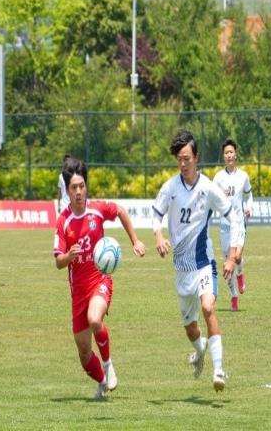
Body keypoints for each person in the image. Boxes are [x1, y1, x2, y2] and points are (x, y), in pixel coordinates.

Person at [152, 130, 241, 392]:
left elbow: (234, 218)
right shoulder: (170, 188)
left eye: (187, 158)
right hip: (182, 270)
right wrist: (159, 237)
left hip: (204, 263)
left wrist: (232, 257)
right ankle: (200, 351)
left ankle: (219, 370)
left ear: (196, 158)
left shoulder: (208, 188)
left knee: (208, 308)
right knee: (191, 329)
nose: (183, 164)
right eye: (179, 159)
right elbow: (156, 215)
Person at [53, 158, 146, 399]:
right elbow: (58, 261)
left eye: (82, 186)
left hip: (100, 281)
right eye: (74, 187)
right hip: (78, 292)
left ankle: (108, 364)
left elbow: (120, 211)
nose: (78, 191)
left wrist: (135, 240)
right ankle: (102, 382)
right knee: (84, 354)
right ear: (67, 190)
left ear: (86, 186)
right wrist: (69, 256)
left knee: (95, 320)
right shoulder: (63, 221)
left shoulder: (97, 210)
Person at [213, 138, 253, 312]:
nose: (229, 155)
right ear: (223, 156)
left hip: (239, 224)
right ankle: (234, 295)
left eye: (231, 152)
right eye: (226, 153)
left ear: (235, 154)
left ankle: (241, 273)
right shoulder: (218, 178)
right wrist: (218, 194)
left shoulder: (243, 176)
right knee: (227, 264)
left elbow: (249, 195)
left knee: (236, 258)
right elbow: (211, 200)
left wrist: (249, 207)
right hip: (224, 226)